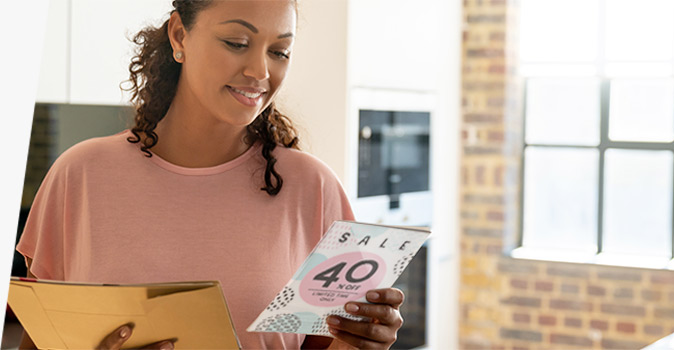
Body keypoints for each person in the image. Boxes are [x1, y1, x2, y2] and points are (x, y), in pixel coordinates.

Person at [15, 0, 405, 349]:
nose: (260, 70)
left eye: (279, 51)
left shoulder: (313, 189)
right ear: (179, 34)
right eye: (237, 42)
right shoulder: (80, 176)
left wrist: (362, 343)